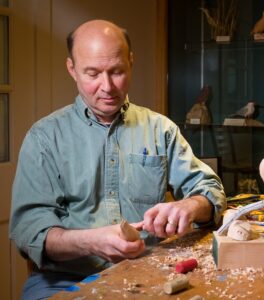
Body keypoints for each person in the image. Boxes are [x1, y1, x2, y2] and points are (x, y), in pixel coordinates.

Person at [9, 19, 226, 299]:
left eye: (117, 71)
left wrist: (191, 206)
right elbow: (30, 233)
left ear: (131, 62)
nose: (107, 86)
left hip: (148, 271)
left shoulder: (161, 130)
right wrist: (90, 242)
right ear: (72, 69)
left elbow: (211, 192)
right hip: (65, 279)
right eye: (92, 74)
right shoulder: (44, 138)